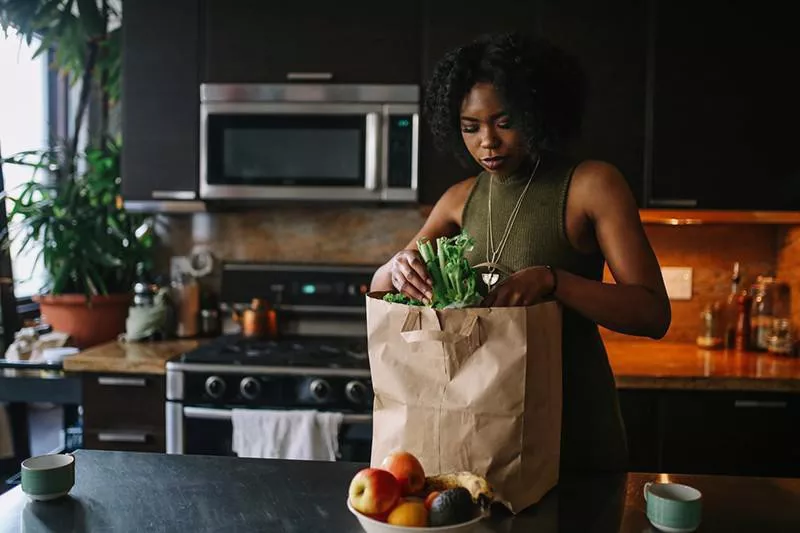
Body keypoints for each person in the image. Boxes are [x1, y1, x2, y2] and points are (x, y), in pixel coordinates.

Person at [370, 32, 671, 473]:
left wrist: (553, 281)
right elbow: (378, 290)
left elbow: (652, 314)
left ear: (535, 114)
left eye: (504, 122)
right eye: (470, 127)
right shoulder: (459, 199)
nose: (487, 142)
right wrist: (397, 266)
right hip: (478, 431)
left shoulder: (591, 185)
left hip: (573, 424)